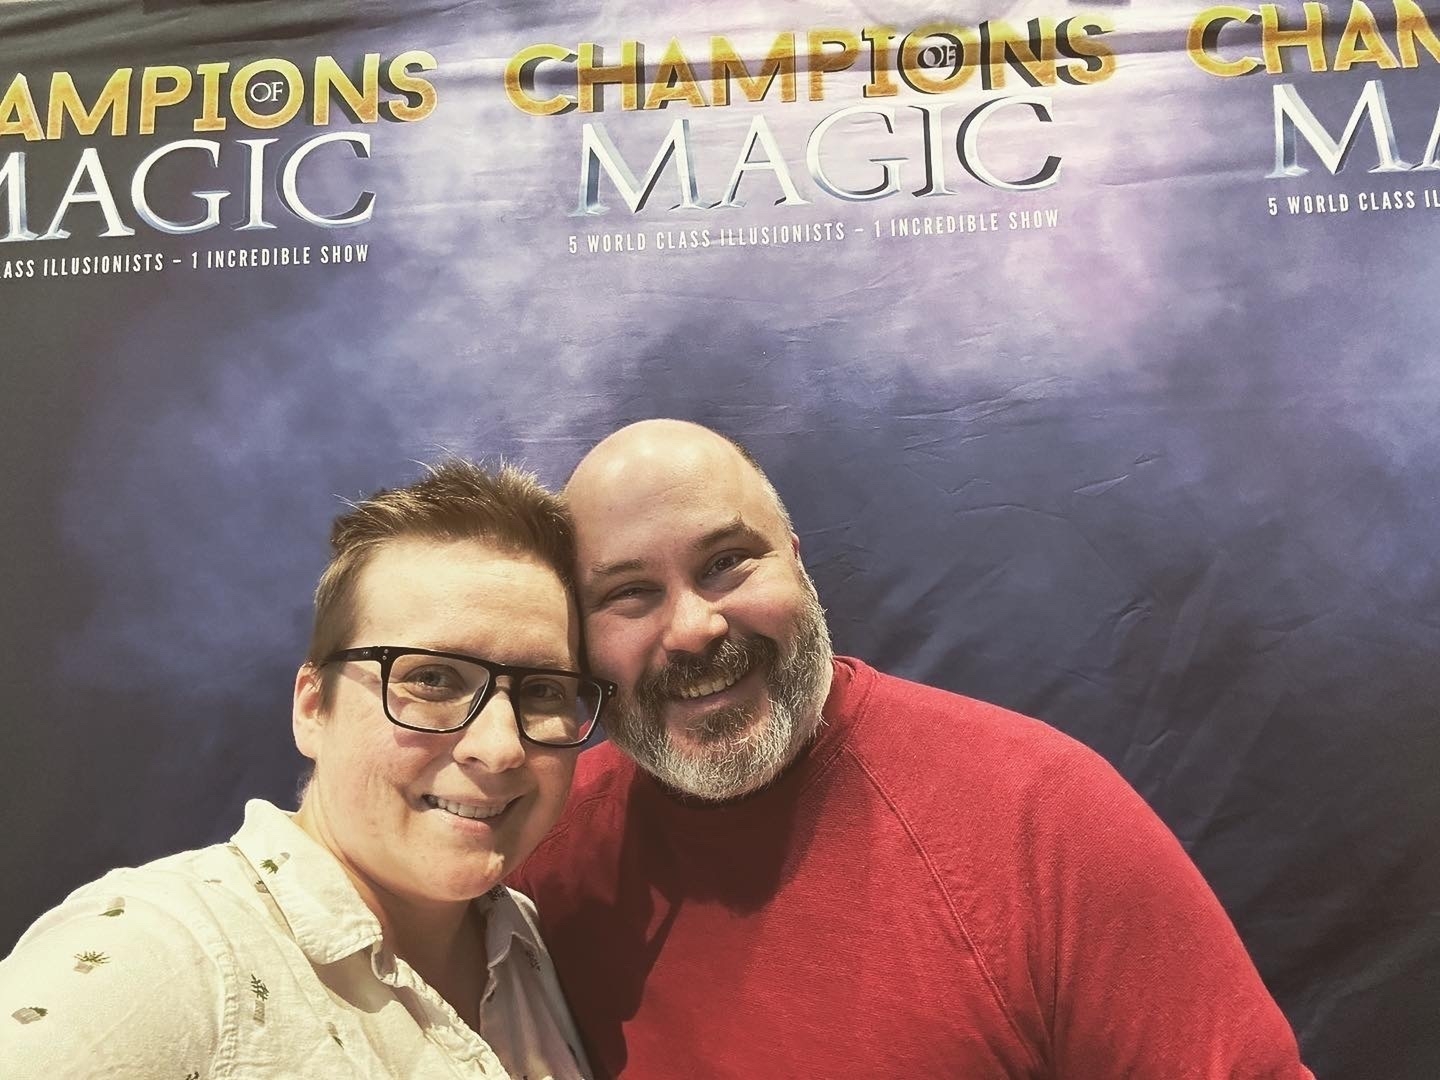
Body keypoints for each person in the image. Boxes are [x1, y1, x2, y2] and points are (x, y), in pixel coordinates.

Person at [514, 419, 1314, 1079]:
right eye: (629, 594)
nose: (693, 628)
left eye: (727, 563)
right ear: (576, 642)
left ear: (797, 562)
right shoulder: (538, 858)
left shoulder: (1042, 818)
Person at [0, 461, 606, 1079]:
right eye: (432, 678)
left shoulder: (534, 943)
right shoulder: (162, 956)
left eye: (544, 690)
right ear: (314, 707)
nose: (500, 747)